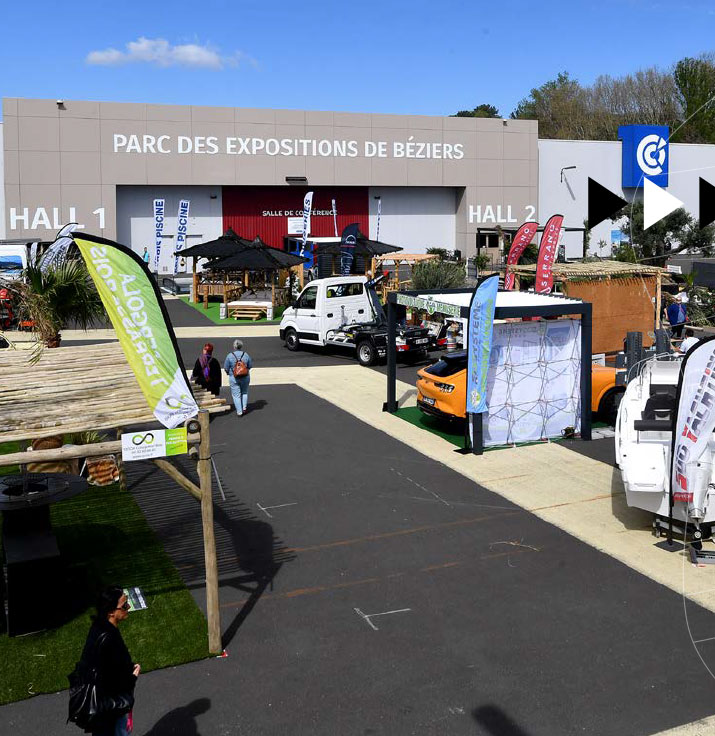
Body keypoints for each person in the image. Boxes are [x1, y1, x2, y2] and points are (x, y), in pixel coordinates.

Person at [79, 585, 140, 736]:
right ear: (111, 611)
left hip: (101, 705)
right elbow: (111, 679)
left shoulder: (101, 628)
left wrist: (129, 667)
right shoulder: (109, 639)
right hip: (109, 705)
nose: (129, 606)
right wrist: (132, 677)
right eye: (124, 605)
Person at [224, 339, 253, 416]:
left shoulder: (230, 355)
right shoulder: (246, 354)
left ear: (234, 346)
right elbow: (250, 366)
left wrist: (229, 373)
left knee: (236, 395)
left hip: (234, 377)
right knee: (244, 392)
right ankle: (244, 408)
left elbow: (226, 368)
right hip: (245, 377)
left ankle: (239, 412)